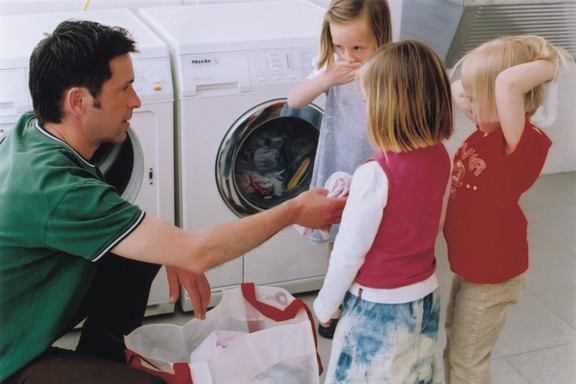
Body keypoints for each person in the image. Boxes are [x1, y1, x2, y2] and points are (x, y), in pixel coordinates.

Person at [0, 20, 346, 384]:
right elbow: (199, 252)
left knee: (143, 256)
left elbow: (136, 229)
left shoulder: (32, 132)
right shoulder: (56, 189)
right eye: (124, 88)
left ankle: (103, 358)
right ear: (78, 101)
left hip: (20, 314)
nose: (136, 101)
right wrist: (293, 209)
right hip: (9, 357)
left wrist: (173, 250)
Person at [313, 39, 453, 383]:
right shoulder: (440, 156)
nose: (366, 108)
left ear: (389, 106)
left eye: (368, 100)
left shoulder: (376, 172)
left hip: (376, 307)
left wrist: (324, 306)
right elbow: (430, 220)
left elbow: (347, 253)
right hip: (424, 297)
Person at [442, 35, 574, 384]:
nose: (465, 102)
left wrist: (549, 65)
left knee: (467, 362)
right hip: (471, 267)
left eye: (475, 97)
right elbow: (456, 86)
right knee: (455, 350)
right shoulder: (487, 130)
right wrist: (475, 86)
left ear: (507, 100)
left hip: (492, 276)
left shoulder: (518, 142)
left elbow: (505, 82)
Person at [287, 0, 392, 339]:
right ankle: (332, 304)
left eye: (358, 47)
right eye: (338, 46)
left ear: (381, 37)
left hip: (380, 169)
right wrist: (328, 77)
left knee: (377, 235)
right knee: (340, 236)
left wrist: (372, 78)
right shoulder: (333, 65)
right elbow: (295, 100)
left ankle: (367, 297)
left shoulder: (390, 69)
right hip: (341, 164)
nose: (348, 55)